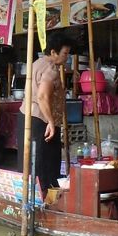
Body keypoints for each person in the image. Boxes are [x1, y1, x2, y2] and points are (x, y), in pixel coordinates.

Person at [19, 32, 73, 196]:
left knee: (30, 163)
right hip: (41, 121)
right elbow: (42, 96)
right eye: (65, 53)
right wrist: (50, 122)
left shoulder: (38, 63)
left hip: (26, 117)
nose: (67, 57)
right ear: (53, 52)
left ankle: (30, 199)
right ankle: (47, 203)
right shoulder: (51, 71)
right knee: (46, 165)